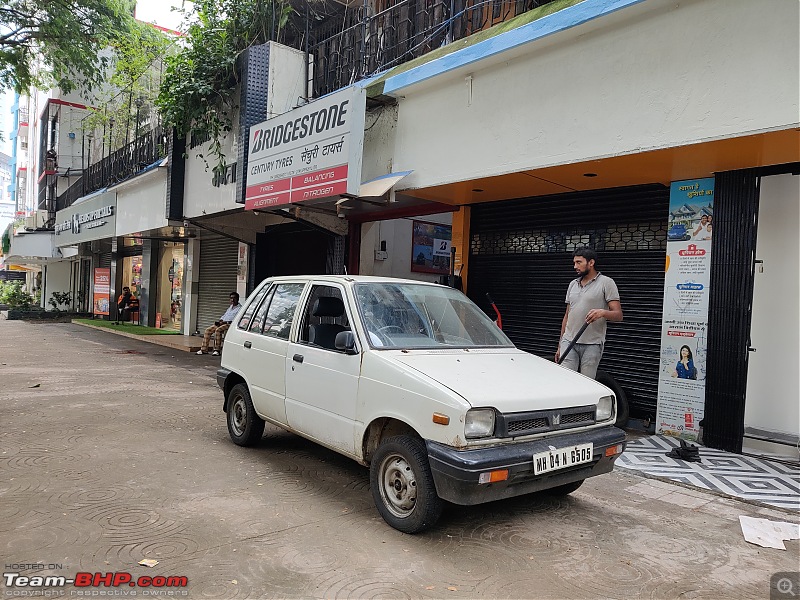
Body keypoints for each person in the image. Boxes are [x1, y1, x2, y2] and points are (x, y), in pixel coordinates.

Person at [555, 248, 623, 379]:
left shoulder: (606, 283)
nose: (575, 266)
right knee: (565, 380)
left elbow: (618, 315)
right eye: (574, 262)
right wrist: (560, 345)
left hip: (592, 344)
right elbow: (567, 316)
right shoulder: (572, 285)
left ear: (591, 263)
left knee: (587, 382)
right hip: (569, 341)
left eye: (579, 262)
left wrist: (603, 313)